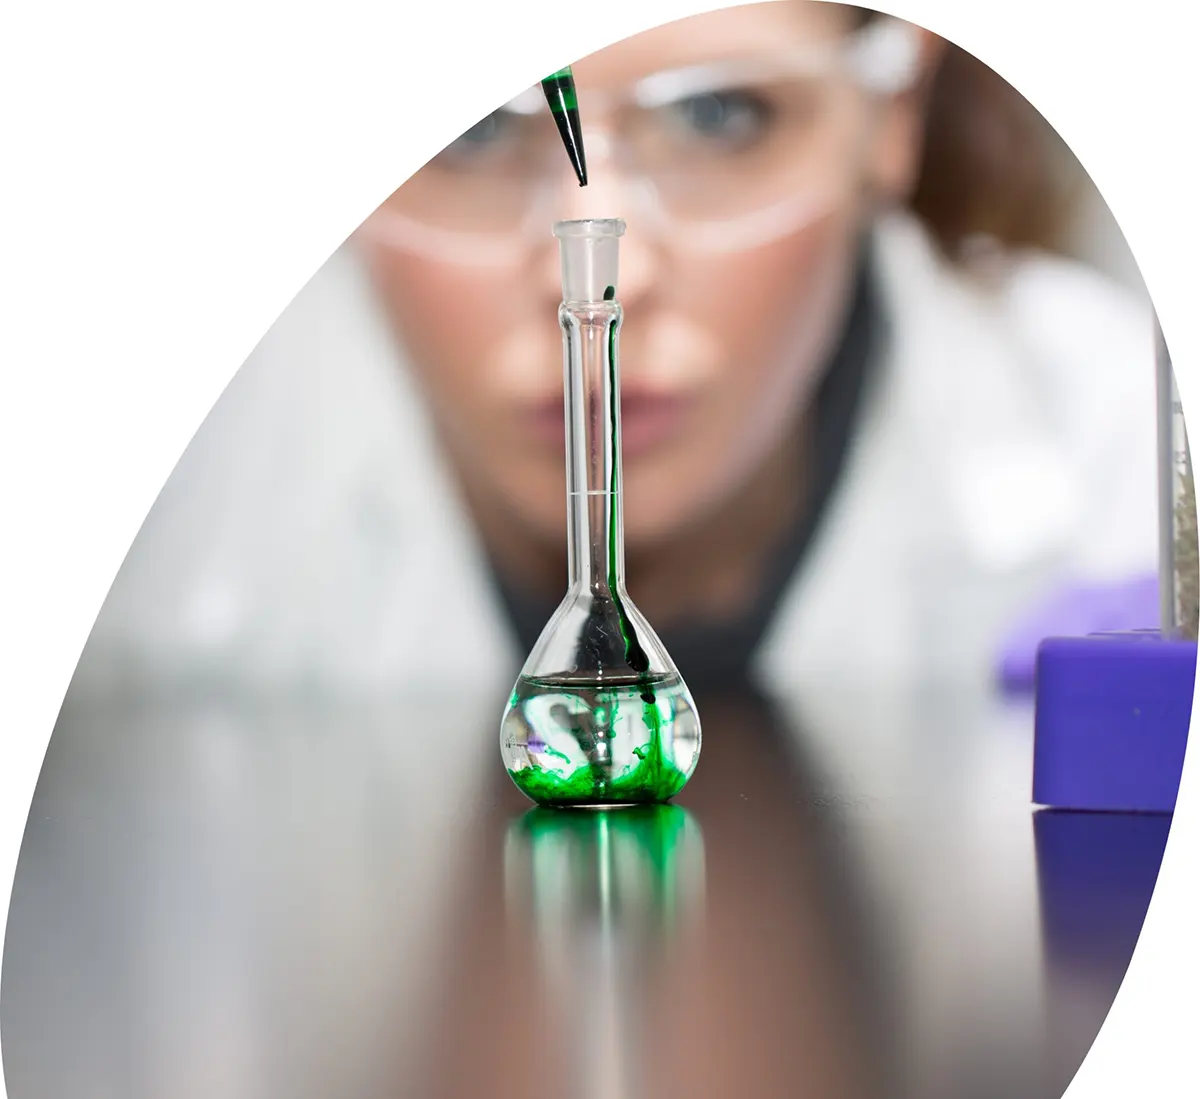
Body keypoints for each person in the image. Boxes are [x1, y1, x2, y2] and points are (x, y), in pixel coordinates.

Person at [71, 1, 1158, 699]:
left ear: (891, 109)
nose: (599, 273)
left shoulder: (1127, 453)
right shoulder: (154, 510)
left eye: (721, 115)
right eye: (465, 130)